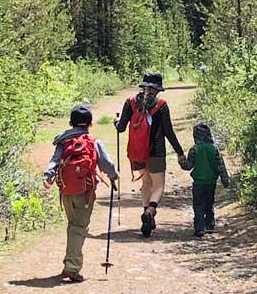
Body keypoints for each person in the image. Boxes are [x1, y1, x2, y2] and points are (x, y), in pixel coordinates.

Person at [43, 105, 118, 282]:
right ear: (90, 124)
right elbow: (107, 164)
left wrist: (48, 177)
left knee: (73, 224)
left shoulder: (63, 141)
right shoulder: (94, 141)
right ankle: (71, 267)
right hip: (85, 191)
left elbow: (54, 161)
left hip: (66, 190)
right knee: (78, 227)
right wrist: (114, 177)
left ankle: (70, 263)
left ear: (70, 123)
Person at [115, 73, 185, 237]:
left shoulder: (130, 102)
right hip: (156, 151)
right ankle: (151, 210)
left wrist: (116, 123)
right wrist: (180, 152)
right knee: (158, 185)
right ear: (157, 89)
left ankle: (147, 214)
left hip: (136, 152)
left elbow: (121, 128)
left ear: (144, 87)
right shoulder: (161, 105)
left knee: (146, 183)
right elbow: (168, 131)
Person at [179, 121, 231, 237]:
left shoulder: (195, 149)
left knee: (198, 204)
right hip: (211, 181)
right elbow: (221, 166)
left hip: (198, 182)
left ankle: (199, 228)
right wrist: (225, 180)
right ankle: (210, 225)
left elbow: (188, 166)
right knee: (209, 202)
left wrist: (181, 161)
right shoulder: (214, 148)